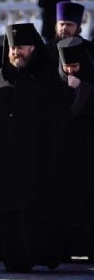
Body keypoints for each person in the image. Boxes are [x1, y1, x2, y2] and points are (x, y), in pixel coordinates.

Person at [0, 23, 64, 272]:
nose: (17, 53)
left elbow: (56, 120)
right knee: (9, 213)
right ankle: (15, 257)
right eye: (14, 48)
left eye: (22, 48)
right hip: (4, 161)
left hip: (38, 159)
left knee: (37, 211)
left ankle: (42, 253)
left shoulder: (47, 77)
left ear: (33, 48)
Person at [53, 37, 94, 262]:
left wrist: (83, 89)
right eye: (66, 66)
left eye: (75, 67)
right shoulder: (55, 83)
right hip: (63, 156)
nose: (70, 71)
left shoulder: (89, 81)